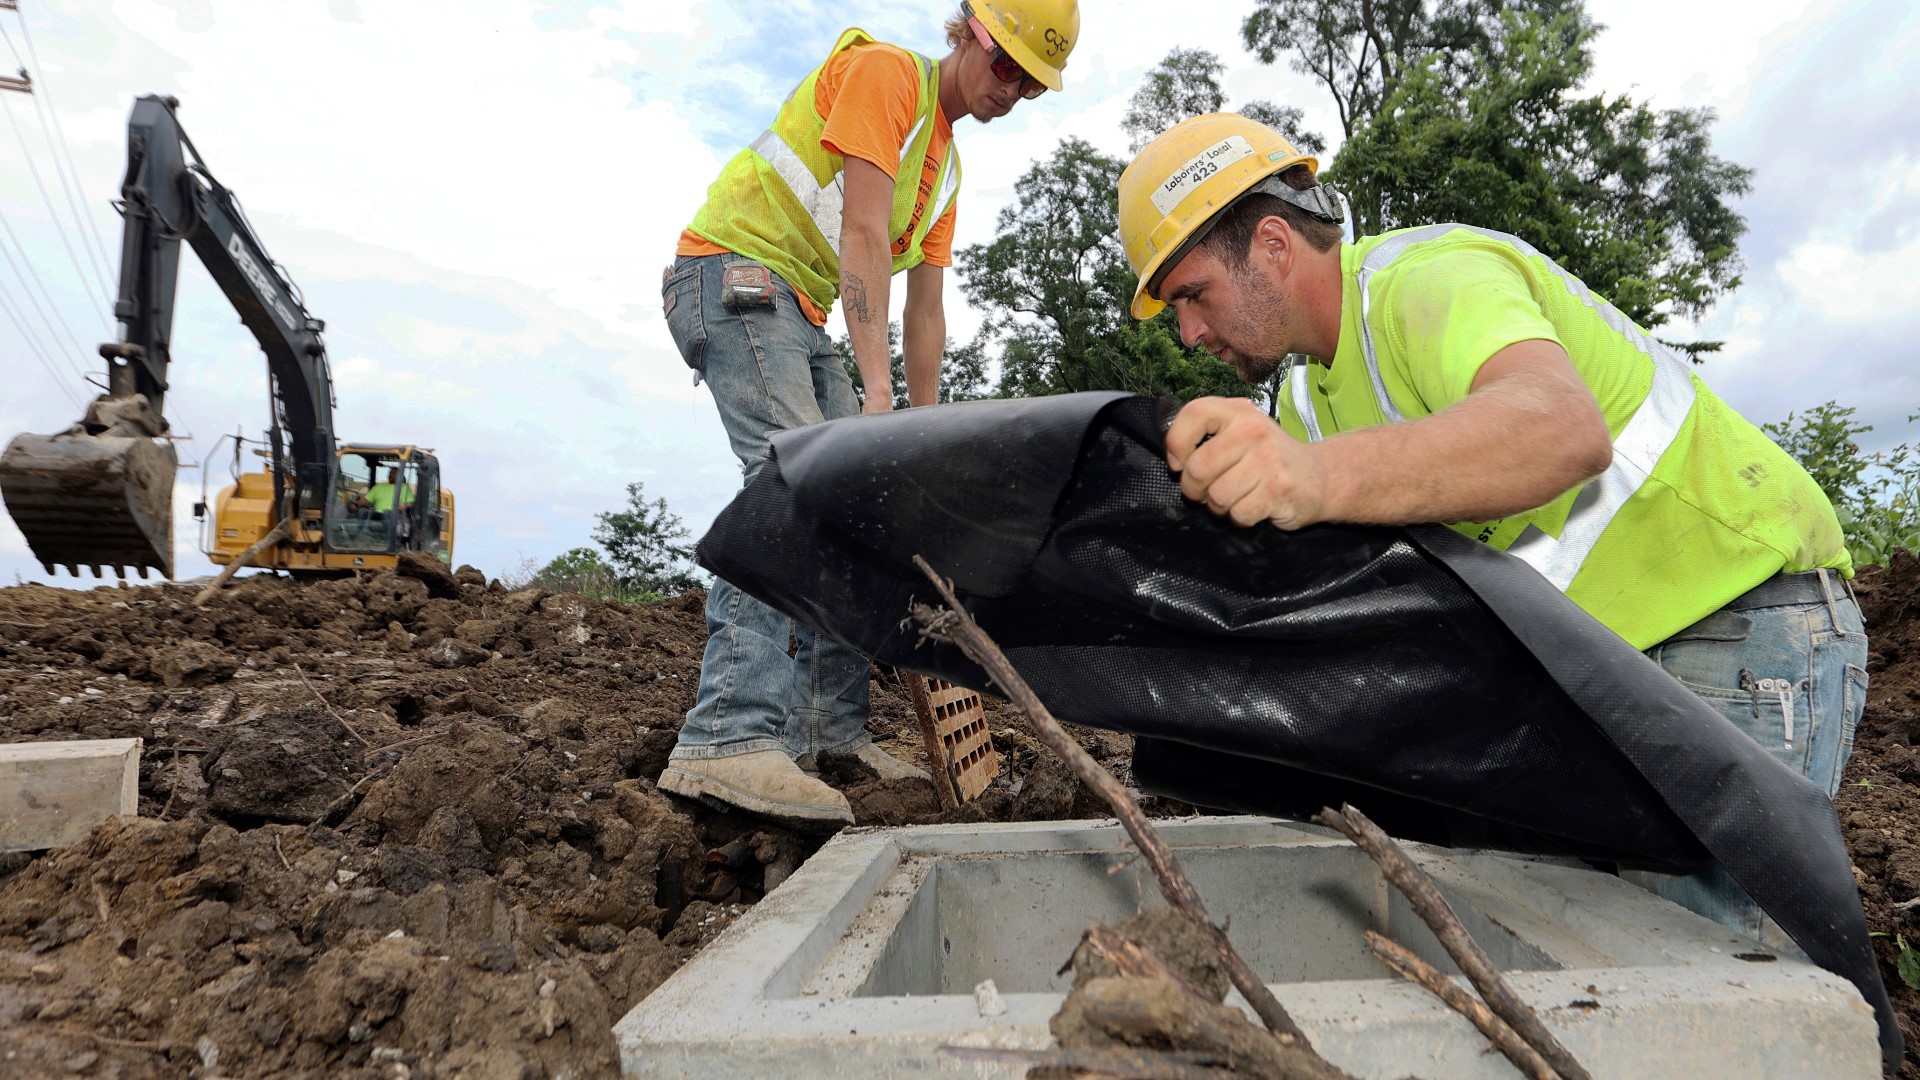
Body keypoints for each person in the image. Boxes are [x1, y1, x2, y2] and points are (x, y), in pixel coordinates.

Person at [1117, 112, 1863, 947]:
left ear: (1274, 246)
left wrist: (1314, 477)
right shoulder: (1303, 406)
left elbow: (1559, 429)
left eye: (1191, 295)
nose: (1187, 333)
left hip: (1735, 627)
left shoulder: (1425, 279)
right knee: (1606, 963)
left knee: (1714, 982)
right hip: (1600, 672)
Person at [658, 1, 1081, 828]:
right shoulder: (889, 75)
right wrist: (878, 397)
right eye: (1006, 67)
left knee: (857, 502)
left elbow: (926, 311)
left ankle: (826, 727)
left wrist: (925, 447)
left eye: (1031, 85)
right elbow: (859, 229)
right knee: (790, 484)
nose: (1012, 91)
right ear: (969, 34)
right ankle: (725, 736)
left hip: (800, 308)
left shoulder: (947, 168)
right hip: (735, 277)